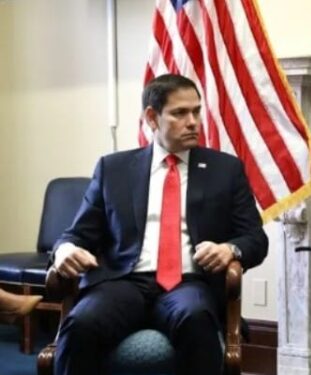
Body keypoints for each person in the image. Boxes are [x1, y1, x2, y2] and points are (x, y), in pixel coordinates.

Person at [50, 74, 268, 375]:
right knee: (81, 324)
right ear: (152, 118)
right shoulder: (113, 169)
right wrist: (66, 251)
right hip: (125, 282)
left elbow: (255, 238)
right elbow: (76, 234)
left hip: (189, 284)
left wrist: (230, 249)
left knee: (197, 319)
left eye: (196, 111)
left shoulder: (225, 169)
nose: (193, 122)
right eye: (180, 113)